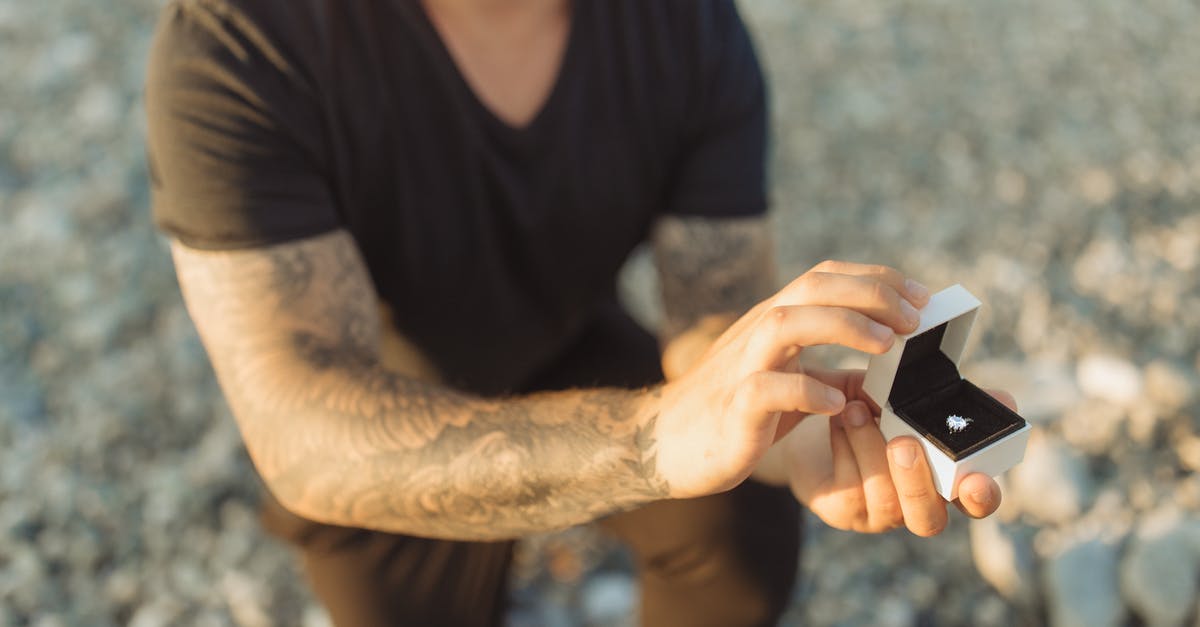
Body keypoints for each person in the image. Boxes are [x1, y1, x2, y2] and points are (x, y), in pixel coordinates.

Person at [145, 0, 1014, 624]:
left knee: (744, 531)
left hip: (572, 339)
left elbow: (708, 316)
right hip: (387, 400)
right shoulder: (243, 41)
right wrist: (652, 440)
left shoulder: (689, 29)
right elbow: (299, 427)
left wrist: (790, 418)